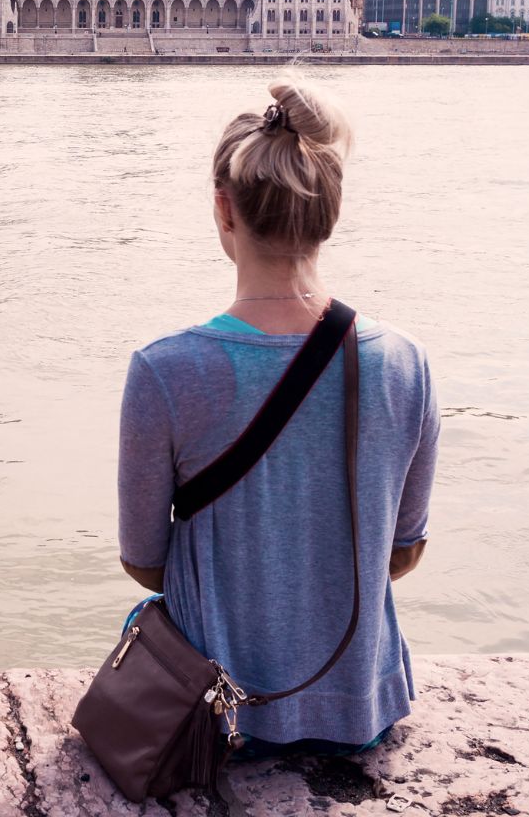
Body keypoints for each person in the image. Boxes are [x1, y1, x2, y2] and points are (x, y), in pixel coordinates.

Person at [116, 77, 439, 758]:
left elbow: (146, 564)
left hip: (216, 721)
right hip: (362, 709)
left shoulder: (164, 371)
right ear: (333, 210)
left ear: (223, 210)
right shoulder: (406, 361)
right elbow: (402, 552)